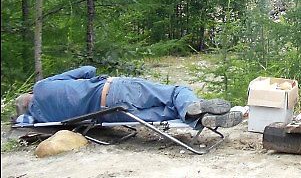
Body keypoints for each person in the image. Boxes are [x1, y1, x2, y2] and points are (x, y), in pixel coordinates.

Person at [13, 65, 242, 129]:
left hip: (107, 117)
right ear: (29, 95)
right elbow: (87, 70)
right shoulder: (42, 86)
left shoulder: (42, 119)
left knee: (167, 113)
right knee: (175, 92)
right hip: (114, 89)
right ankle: (194, 107)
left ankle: (200, 119)